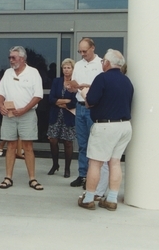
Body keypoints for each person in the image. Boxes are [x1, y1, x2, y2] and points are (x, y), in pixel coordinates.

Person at [78, 49, 133, 211]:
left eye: (103, 61)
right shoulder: (127, 81)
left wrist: (84, 94)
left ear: (107, 63)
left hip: (105, 126)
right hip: (124, 126)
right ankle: (111, 199)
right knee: (115, 162)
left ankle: (88, 198)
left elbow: (91, 101)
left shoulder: (102, 78)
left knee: (95, 162)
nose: (102, 63)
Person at [0, 46, 44, 190]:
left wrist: (25, 109)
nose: (11, 60)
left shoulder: (33, 73)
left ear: (22, 59)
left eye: (14, 58)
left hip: (27, 115)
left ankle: (32, 178)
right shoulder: (7, 73)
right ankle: (8, 177)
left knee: (28, 147)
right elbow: (0, 92)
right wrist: (0, 105)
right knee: (10, 146)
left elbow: (38, 95)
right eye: (10, 58)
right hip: (10, 115)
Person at [66, 38, 103, 188]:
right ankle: (82, 174)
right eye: (80, 52)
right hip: (80, 106)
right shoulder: (79, 65)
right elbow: (74, 83)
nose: (82, 54)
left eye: (85, 51)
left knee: (94, 144)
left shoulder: (100, 64)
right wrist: (72, 87)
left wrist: (88, 86)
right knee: (82, 143)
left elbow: (102, 86)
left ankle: (93, 177)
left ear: (92, 48)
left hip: (94, 106)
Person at [47, 58, 77, 178]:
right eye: (64, 68)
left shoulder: (75, 83)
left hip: (68, 116)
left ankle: (67, 169)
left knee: (68, 142)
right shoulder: (57, 81)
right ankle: (55, 165)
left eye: (68, 67)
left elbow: (74, 101)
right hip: (56, 115)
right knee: (53, 140)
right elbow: (51, 99)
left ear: (72, 69)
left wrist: (61, 103)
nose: (66, 70)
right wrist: (64, 101)